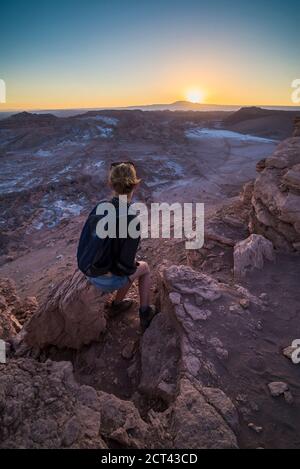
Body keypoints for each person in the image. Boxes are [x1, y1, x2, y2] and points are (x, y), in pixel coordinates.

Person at [80, 161, 157, 332]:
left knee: (126, 266)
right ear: (135, 186)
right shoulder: (131, 219)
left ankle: (117, 304)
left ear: (111, 184)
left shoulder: (100, 208)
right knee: (143, 268)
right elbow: (125, 266)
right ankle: (144, 313)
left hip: (90, 272)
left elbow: (87, 241)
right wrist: (131, 264)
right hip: (107, 281)